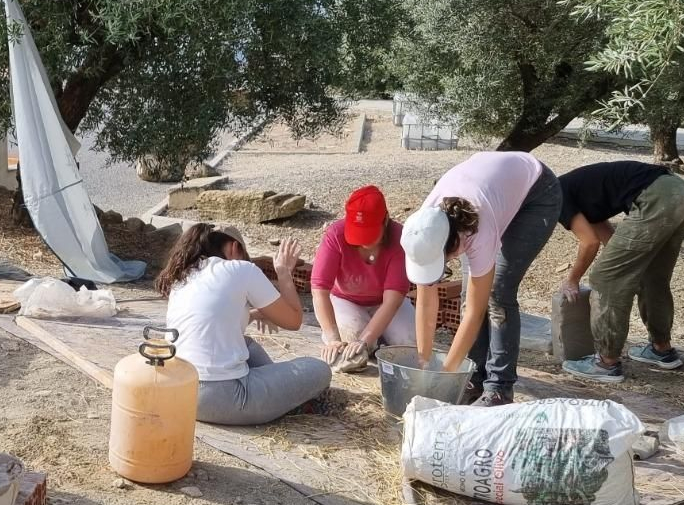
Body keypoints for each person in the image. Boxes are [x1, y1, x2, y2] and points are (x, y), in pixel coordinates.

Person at [402, 150, 562, 405]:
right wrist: (423, 362)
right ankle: (475, 376)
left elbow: (475, 313)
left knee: (498, 294)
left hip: (537, 194)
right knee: (468, 295)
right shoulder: (423, 227)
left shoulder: (478, 230)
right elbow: (426, 300)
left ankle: (499, 387)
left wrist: (445, 375)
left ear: (454, 244)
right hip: (492, 190)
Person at [156, 223, 331, 425]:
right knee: (319, 368)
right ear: (234, 248)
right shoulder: (242, 269)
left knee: (245, 343)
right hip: (227, 398)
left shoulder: (185, 275)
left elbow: (217, 321)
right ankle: (285, 398)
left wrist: (256, 314)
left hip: (181, 392)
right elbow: (293, 321)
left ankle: (280, 391)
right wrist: (284, 272)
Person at [556, 160, 684, 381]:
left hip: (657, 197)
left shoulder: (556, 194)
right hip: (680, 191)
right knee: (651, 277)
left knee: (605, 279)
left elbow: (589, 243)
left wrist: (572, 279)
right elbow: (608, 241)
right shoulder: (578, 191)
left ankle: (606, 364)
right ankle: (662, 349)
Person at [310, 185, 416, 373]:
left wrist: (365, 340)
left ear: (385, 220)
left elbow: (392, 301)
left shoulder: (399, 237)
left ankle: (378, 340)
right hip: (346, 299)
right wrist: (332, 337)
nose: (364, 242)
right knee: (350, 346)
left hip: (387, 302)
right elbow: (319, 288)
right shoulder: (336, 234)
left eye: (370, 233)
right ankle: (373, 341)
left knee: (408, 346)